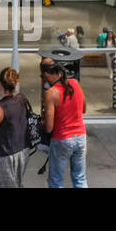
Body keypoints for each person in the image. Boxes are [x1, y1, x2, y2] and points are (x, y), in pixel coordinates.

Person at [41, 60, 87, 188]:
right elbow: (83, 109)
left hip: (62, 139)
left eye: (43, 76)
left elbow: (49, 128)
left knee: (56, 181)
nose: (43, 80)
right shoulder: (75, 83)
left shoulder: (51, 93)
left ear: (48, 75)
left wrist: (42, 124)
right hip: (81, 137)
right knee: (80, 178)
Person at [0, 67, 28, 188]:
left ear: (0, 83)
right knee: (17, 184)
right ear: (16, 83)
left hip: (5, 154)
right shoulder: (21, 99)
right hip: (23, 150)